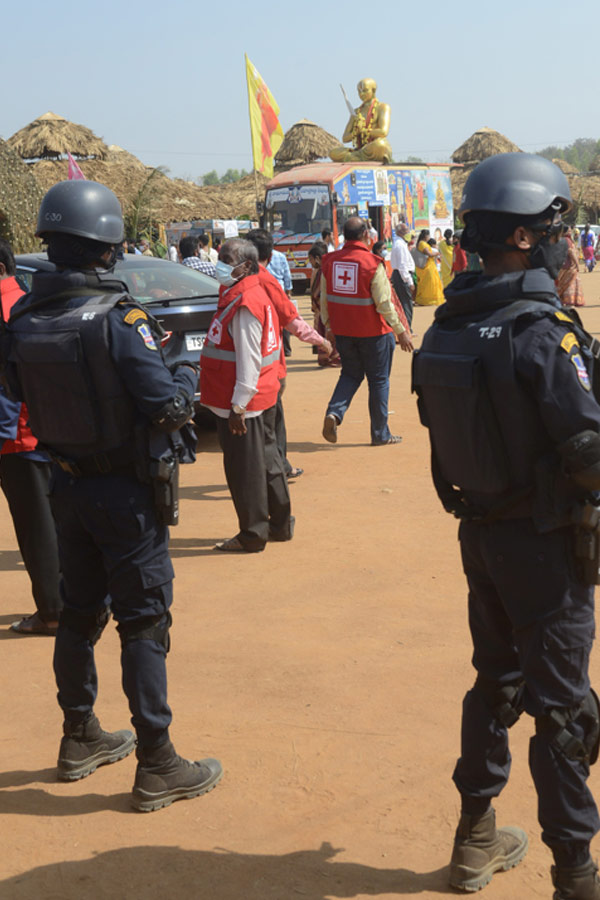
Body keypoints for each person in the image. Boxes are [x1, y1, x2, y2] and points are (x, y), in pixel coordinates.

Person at [412, 152, 600, 899]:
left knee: (494, 684)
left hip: (482, 539)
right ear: (524, 237)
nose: (564, 242)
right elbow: (587, 446)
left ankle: (475, 838)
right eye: (557, 229)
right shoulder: (540, 332)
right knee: (561, 713)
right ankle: (576, 876)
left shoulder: (448, 327)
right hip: (548, 550)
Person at [4, 180, 222, 811]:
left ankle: (80, 736)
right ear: (108, 248)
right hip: (126, 492)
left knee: (78, 615)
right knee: (144, 621)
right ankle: (157, 760)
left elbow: (19, 392)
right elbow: (170, 409)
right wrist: (183, 369)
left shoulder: (22, 319)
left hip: (63, 486)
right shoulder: (123, 322)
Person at [200, 238, 294, 551]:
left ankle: (253, 534)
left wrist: (238, 406)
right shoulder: (247, 293)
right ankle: (280, 525)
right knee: (268, 462)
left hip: (243, 403)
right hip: (260, 396)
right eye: (221, 258)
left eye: (227, 260)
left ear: (247, 266)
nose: (221, 265)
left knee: (245, 471)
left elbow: (248, 359)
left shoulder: (244, 302)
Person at [0, 238, 62, 636]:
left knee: (36, 527)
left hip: (15, 436)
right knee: (50, 521)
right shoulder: (26, 302)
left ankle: (54, 610)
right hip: (38, 429)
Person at [246, 228, 332, 480]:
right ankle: (277, 469)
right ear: (270, 256)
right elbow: (293, 321)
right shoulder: (265, 280)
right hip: (267, 366)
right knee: (271, 422)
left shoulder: (234, 279)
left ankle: (267, 468)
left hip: (244, 366)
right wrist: (321, 341)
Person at [320, 216, 413, 446]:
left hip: (343, 332)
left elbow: (324, 299)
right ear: (365, 235)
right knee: (379, 381)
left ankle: (334, 413)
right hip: (374, 334)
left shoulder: (329, 261)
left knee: (350, 374)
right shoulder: (372, 263)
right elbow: (384, 303)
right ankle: (380, 434)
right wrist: (401, 331)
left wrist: (329, 326)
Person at [330, 78, 392, 164]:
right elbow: (345, 138)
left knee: (380, 145)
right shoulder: (356, 112)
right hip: (359, 150)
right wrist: (355, 133)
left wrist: (363, 131)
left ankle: (354, 158)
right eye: (359, 91)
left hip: (373, 148)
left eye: (365, 91)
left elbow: (383, 132)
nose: (361, 94)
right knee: (333, 153)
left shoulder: (383, 107)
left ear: (373, 90)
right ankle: (356, 157)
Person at [309, 241, 341, 368]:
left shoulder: (323, 271)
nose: (310, 263)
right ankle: (331, 357)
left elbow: (318, 293)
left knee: (326, 332)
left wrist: (317, 306)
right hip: (326, 308)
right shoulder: (327, 268)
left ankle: (331, 357)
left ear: (317, 258)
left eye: (310, 259)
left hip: (324, 308)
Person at [372, 241, 411, 339]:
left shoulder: (382, 261)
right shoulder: (375, 262)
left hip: (389, 290)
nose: (385, 251)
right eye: (383, 249)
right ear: (377, 250)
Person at [267, 247, 294, 357]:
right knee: (284, 319)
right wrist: (288, 292)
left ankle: (272, 348)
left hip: (266, 291)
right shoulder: (281, 256)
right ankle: (286, 349)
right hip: (280, 291)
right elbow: (287, 276)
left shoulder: (258, 257)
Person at [390, 222, 416, 329]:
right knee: (406, 303)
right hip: (402, 277)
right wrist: (409, 281)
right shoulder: (400, 245)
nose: (408, 233)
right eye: (406, 231)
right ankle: (407, 328)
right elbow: (403, 266)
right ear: (400, 232)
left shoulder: (401, 244)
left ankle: (405, 328)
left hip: (400, 275)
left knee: (403, 302)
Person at [413, 229, 444, 306]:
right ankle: (428, 300)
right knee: (430, 284)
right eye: (429, 236)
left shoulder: (421, 243)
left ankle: (430, 299)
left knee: (431, 283)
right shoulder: (422, 243)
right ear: (425, 236)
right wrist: (437, 253)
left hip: (429, 265)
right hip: (427, 267)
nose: (429, 237)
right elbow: (429, 254)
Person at [557, 225, 584, 307]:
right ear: (564, 232)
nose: (570, 231)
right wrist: (577, 264)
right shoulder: (567, 240)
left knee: (563, 283)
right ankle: (569, 301)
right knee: (569, 283)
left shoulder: (560, 239)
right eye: (569, 230)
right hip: (569, 267)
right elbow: (571, 252)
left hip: (563, 266)